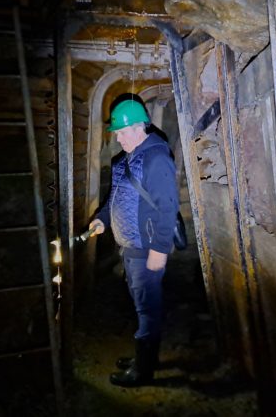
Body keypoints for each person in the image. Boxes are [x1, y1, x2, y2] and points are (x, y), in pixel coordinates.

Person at [88, 99, 179, 387]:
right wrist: (101, 219)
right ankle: (145, 358)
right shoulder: (123, 160)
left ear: (139, 128)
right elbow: (114, 198)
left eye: (122, 131)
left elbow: (168, 206)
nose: (117, 137)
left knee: (147, 309)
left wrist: (159, 251)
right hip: (129, 247)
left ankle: (143, 371)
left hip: (146, 249)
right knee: (142, 305)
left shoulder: (156, 158)